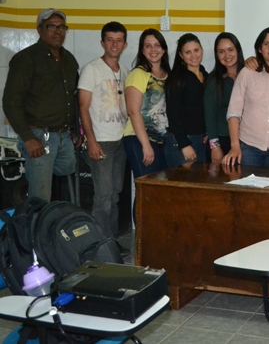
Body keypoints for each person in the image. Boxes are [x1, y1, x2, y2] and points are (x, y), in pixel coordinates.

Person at [2, 8, 78, 201]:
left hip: (64, 137)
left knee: (68, 194)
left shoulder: (68, 59)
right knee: (40, 197)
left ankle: (58, 229)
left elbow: (73, 97)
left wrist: (75, 130)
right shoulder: (26, 59)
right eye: (51, 26)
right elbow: (11, 102)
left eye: (62, 27)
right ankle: (35, 231)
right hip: (38, 138)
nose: (57, 31)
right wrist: (27, 138)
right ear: (39, 29)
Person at [77, 22, 130, 253]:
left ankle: (111, 240)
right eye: (110, 40)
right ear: (102, 43)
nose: (114, 44)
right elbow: (82, 106)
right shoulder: (91, 69)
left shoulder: (125, 71)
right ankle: (100, 246)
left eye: (119, 40)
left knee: (116, 194)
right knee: (103, 197)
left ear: (125, 44)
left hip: (121, 141)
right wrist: (92, 140)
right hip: (101, 141)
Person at [222, 27, 269, 168]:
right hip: (248, 147)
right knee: (248, 189)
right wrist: (235, 146)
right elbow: (234, 112)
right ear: (259, 48)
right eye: (266, 44)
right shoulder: (246, 73)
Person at [123, 29, 170, 177]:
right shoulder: (138, 74)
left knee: (158, 191)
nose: (153, 50)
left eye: (157, 45)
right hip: (139, 139)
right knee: (147, 188)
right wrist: (146, 145)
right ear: (142, 50)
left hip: (162, 141)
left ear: (163, 49)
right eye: (148, 46)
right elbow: (133, 111)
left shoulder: (168, 75)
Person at [164, 33, 208, 167]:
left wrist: (207, 131)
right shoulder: (177, 78)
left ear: (202, 50)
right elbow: (172, 113)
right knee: (184, 186)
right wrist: (184, 145)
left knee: (199, 186)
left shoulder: (205, 74)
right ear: (181, 55)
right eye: (188, 52)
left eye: (196, 50)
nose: (193, 55)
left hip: (200, 140)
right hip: (181, 142)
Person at [204, 32, 245, 162]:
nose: (227, 55)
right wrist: (215, 147)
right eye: (221, 52)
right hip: (223, 141)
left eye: (230, 50)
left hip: (248, 142)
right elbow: (209, 116)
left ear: (238, 50)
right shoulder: (214, 81)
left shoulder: (250, 75)